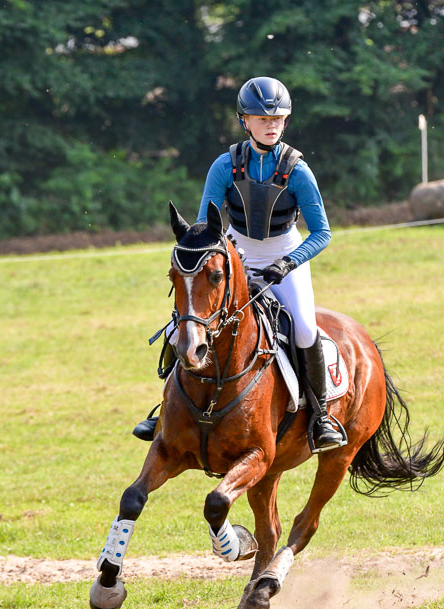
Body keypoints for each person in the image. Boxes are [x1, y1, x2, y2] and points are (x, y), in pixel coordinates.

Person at [133, 76, 346, 452]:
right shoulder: (224, 166)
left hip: (285, 254)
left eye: (278, 118)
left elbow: (322, 233)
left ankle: (321, 415)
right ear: (244, 121)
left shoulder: (297, 170)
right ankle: (164, 409)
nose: (272, 125)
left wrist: (288, 262)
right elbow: (205, 229)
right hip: (235, 254)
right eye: (263, 119)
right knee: (180, 328)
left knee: (304, 330)